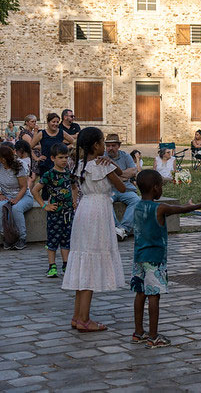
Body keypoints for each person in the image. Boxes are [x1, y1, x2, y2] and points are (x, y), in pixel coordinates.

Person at [130, 170, 201, 348]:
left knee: (140, 293)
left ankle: (138, 332)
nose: (161, 189)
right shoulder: (159, 208)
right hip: (155, 259)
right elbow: (181, 209)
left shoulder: (137, 206)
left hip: (139, 257)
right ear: (155, 188)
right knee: (154, 295)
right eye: (160, 185)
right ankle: (154, 336)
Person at [62, 127, 127, 333]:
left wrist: (111, 163)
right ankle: (84, 319)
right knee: (90, 264)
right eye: (102, 143)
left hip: (84, 210)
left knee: (83, 260)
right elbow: (123, 184)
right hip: (98, 212)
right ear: (96, 145)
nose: (104, 147)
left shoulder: (80, 164)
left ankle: (77, 316)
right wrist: (111, 164)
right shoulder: (101, 165)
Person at [31, 143, 74, 278]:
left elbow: (74, 187)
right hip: (55, 213)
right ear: (53, 158)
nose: (64, 160)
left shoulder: (69, 173)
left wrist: (74, 201)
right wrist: (44, 206)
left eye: (66, 157)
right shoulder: (49, 174)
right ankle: (52, 265)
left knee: (67, 239)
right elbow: (35, 190)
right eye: (61, 157)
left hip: (68, 212)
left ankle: (66, 264)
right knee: (53, 239)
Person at [0, 144, 38, 250]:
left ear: (3, 159)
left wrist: (16, 199)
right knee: (1, 207)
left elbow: (24, 187)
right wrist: (1, 194)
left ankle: (22, 238)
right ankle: (7, 236)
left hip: (23, 196)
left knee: (16, 208)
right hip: (6, 196)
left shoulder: (19, 166)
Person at [105, 134, 141, 241]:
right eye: (108, 146)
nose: (110, 148)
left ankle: (123, 229)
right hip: (109, 189)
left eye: (113, 145)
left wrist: (114, 177)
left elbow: (133, 171)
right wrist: (123, 176)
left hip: (126, 189)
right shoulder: (103, 157)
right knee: (105, 201)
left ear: (118, 146)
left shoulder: (125, 156)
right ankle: (116, 227)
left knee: (136, 201)